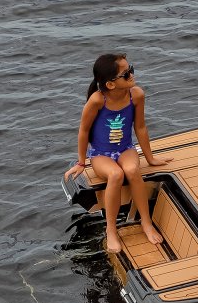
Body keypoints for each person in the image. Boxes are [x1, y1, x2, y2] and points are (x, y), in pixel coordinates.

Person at [64, 54, 166, 254]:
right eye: (126, 74)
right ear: (110, 84)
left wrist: (150, 158)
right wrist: (81, 162)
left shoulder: (136, 95)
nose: (132, 75)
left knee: (132, 170)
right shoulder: (97, 100)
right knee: (116, 174)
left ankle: (146, 222)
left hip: (125, 149)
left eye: (131, 69)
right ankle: (111, 229)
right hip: (101, 154)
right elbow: (84, 131)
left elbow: (140, 127)